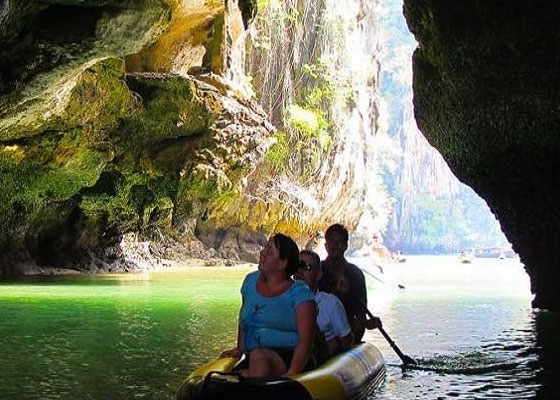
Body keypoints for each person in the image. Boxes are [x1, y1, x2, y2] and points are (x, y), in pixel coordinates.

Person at [220, 233, 316, 378]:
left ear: (282, 263)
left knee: (259, 357)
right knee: (256, 358)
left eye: (269, 252)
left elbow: (306, 341)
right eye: (265, 248)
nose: (262, 253)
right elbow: (245, 318)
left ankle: (250, 379)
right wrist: (240, 349)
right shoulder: (250, 282)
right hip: (254, 357)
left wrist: (291, 376)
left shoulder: (300, 293)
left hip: (289, 358)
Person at [319, 224, 381, 342]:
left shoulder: (355, 274)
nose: (336, 245)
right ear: (326, 245)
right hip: (321, 328)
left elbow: (361, 314)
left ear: (346, 246)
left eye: (340, 241)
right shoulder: (317, 270)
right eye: (332, 241)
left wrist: (368, 323)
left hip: (348, 331)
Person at [296, 250, 354, 359]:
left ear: (318, 275)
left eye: (306, 267)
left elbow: (347, 339)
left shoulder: (329, 303)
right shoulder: (281, 299)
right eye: (297, 266)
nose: (299, 271)